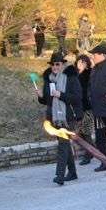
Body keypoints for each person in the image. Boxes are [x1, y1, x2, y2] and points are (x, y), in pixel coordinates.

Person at [35, 51, 82, 185]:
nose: (55, 67)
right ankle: (72, 172)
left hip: (69, 116)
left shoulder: (70, 77)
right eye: (53, 65)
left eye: (57, 64)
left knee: (63, 143)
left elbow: (77, 97)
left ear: (62, 64)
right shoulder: (49, 78)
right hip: (54, 116)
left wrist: (60, 95)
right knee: (64, 143)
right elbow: (47, 100)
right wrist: (41, 96)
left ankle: (60, 175)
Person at [75, 54, 95, 165]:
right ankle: (93, 149)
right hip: (77, 107)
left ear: (87, 63)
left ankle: (88, 154)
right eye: (79, 62)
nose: (80, 64)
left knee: (86, 131)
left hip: (88, 106)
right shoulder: (74, 75)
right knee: (79, 132)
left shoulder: (90, 73)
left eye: (83, 62)